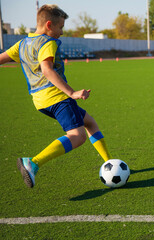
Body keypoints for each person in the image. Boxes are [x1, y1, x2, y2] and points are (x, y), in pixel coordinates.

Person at [0, 4, 112, 188]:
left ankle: (108, 161)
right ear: (49, 25)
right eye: (60, 27)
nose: (61, 32)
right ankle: (33, 163)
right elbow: (47, 70)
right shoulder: (47, 42)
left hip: (40, 101)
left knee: (89, 122)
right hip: (57, 98)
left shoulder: (22, 44)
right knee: (78, 136)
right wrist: (72, 92)